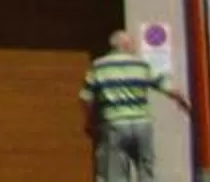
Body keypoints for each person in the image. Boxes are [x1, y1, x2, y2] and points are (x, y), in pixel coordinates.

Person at [79, 30, 187, 181]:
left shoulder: (99, 66)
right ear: (127, 45)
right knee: (145, 169)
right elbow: (167, 87)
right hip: (142, 124)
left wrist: (90, 120)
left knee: (115, 172)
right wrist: (184, 104)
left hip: (114, 123)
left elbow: (85, 97)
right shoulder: (142, 65)